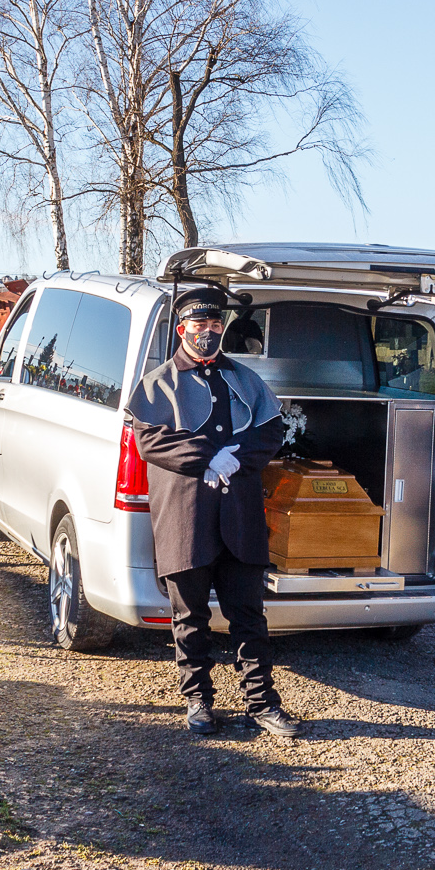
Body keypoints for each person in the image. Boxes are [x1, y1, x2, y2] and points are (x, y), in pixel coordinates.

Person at [124, 286, 299, 737]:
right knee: (190, 618)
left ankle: (262, 703)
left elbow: (270, 430)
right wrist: (207, 457)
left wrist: (236, 459)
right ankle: (198, 701)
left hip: (240, 516)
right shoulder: (158, 383)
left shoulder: (244, 378)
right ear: (182, 329)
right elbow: (150, 441)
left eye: (216, 323)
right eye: (200, 324)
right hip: (186, 517)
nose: (209, 331)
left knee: (249, 617)